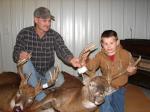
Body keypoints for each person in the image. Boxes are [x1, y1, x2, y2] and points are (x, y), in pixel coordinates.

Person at [13, 7, 81, 102]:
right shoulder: (24, 33)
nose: (48, 24)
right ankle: (39, 95)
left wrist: (71, 59)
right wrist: (20, 54)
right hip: (31, 72)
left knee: (60, 81)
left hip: (47, 70)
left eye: (49, 21)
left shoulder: (54, 35)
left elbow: (62, 49)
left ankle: (37, 85)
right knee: (24, 63)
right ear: (36, 20)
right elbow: (16, 52)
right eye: (44, 20)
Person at [82, 30, 137, 112]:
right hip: (106, 86)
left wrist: (130, 70)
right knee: (105, 107)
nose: (109, 46)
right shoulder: (100, 56)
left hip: (120, 87)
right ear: (102, 44)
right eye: (106, 43)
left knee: (119, 109)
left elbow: (134, 69)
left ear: (117, 42)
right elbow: (91, 66)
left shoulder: (126, 54)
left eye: (111, 43)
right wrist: (85, 59)